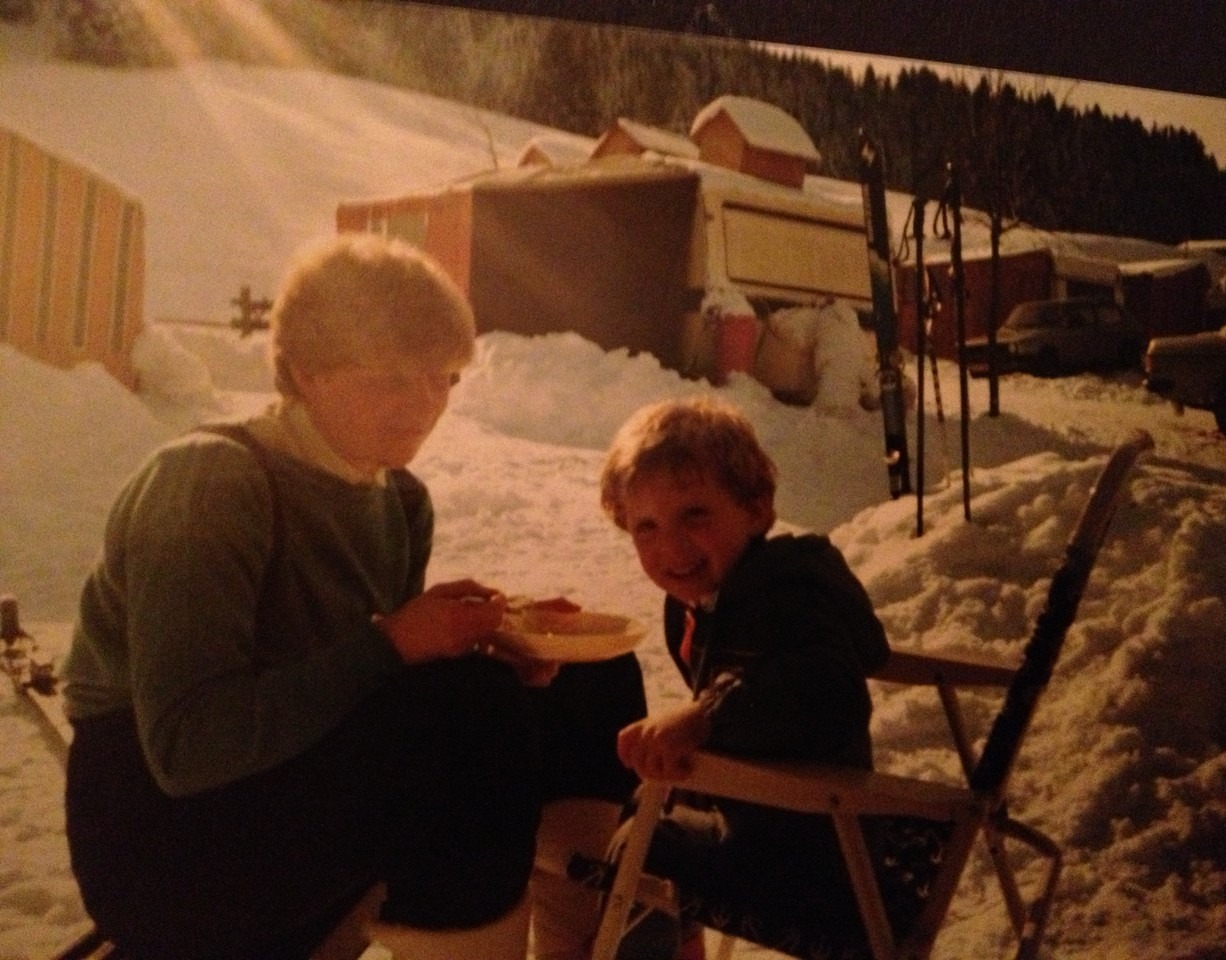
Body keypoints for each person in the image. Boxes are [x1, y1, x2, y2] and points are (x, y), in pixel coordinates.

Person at [62, 233, 545, 960]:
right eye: (393, 377)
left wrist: (456, 646)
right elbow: (188, 747)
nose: (425, 404)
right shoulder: (211, 483)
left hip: (284, 791)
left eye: (443, 378)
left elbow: (379, 698)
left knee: (566, 689)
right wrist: (394, 645)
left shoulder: (399, 500)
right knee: (472, 709)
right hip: (162, 841)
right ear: (306, 373)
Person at [598, 396, 891, 959]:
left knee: (642, 846)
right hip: (762, 819)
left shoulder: (790, 593)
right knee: (643, 807)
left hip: (821, 851)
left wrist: (706, 717)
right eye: (646, 527)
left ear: (757, 510)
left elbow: (826, 690)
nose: (670, 547)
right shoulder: (698, 604)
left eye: (694, 515)